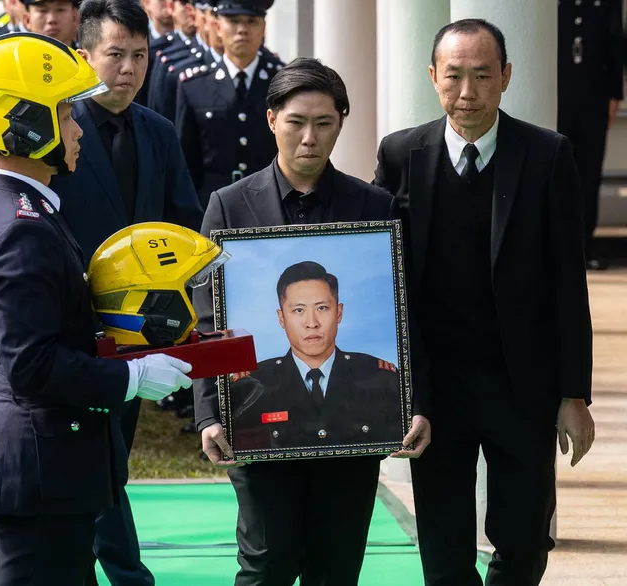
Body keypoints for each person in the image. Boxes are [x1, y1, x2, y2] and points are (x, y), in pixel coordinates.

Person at [0, 32, 193, 586]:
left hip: (51, 467)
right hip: (40, 469)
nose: (79, 126)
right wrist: (131, 377)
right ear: (28, 124)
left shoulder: (24, 209)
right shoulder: (23, 228)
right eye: (64, 112)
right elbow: (31, 364)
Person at [373, 19, 594, 586]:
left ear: (506, 77)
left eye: (482, 76)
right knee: (443, 545)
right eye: (453, 77)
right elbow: (386, 279)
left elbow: (568, 282)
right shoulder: (402, 154)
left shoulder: (546, 155)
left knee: (523, 537)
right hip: (436, 385)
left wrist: (573, 394)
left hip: (521, 383)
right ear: (433, 77)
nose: (466, 94)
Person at [193, 56, 429, 586]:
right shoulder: (228, 207)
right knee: (266, 562)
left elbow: (403, 312)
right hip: (256, 420)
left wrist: (412, 403)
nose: (309, 138)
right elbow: (208, 319)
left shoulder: (374, 207)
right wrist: (211, 412)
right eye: (296, 121)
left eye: (324, 123)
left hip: (351, 425)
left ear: (342, 123)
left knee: (337, 567)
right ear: (272, 119)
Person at [47, 2, 202, 584]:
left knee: (114, 457)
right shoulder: (58, 129)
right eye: (116, 54)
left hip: (143, 327)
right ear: (84, 58)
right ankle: (125, 572)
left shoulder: (158, 130)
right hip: (70, 324)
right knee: (97, 455)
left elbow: (182, 220)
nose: (129, 68)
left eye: (140, 55)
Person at [230, 261, 403, 451]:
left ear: (339, 312)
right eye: (299, 310)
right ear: (281, 318)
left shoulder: (379, 377)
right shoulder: (253, 384)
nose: (311, 323)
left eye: (322, 308)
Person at [174, 0, 283, 208]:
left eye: (251, 21)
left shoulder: (280, 82)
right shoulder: (194, 85)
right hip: (212, 207)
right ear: (217, 27)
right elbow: (186, 163)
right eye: (233, 21)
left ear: (263, 28)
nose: (242, 29)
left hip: (269, 205)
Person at [557, 0, 623, 270]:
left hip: (595, 97)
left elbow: (616, 44)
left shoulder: (608, 4)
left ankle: (584, 247)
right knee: (559, 171)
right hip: (560, 96)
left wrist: (615, 94)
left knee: (589, 172)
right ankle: (559, 248)